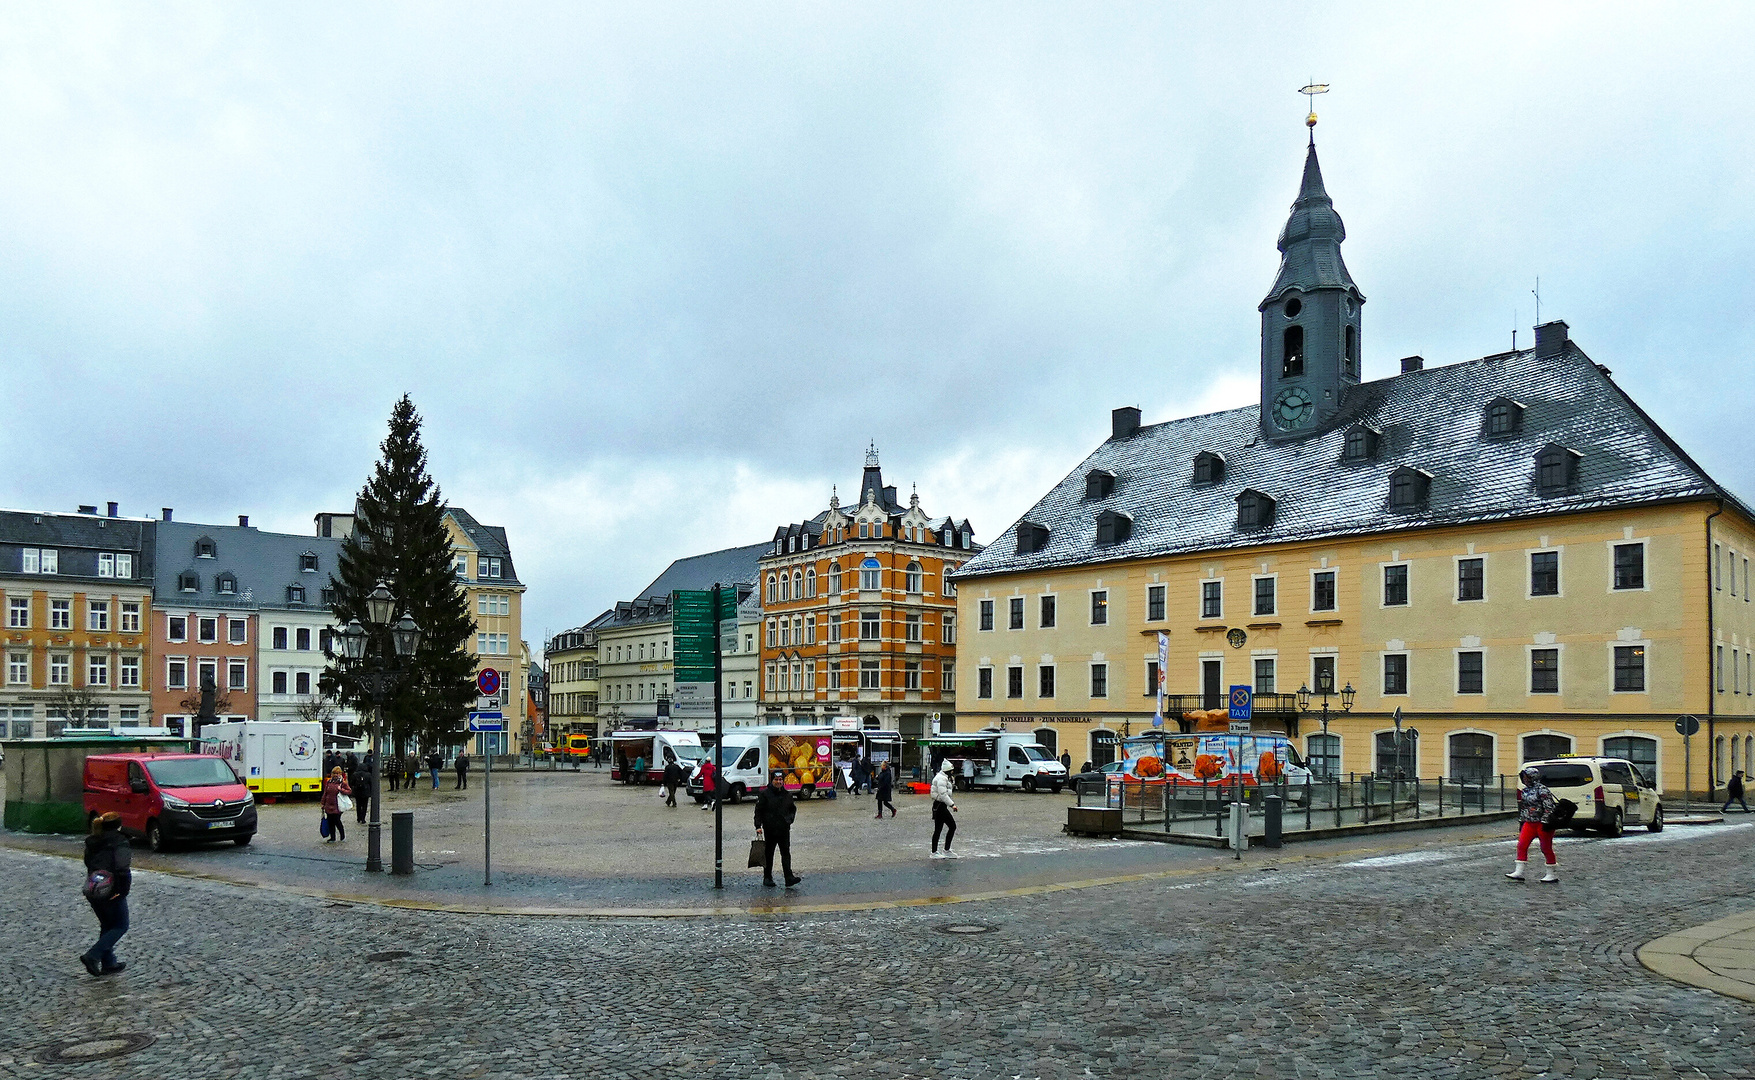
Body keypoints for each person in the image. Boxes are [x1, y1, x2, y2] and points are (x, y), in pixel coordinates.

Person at [79, 811, 132, 976]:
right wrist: (122, 891)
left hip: (94, 888)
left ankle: (109, 963)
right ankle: (93, 955)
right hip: (111, 889)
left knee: (107, 925)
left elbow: (89, 863)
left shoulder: (92, 841)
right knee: (120, 925)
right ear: (118, 825)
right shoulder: (120, 842)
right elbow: (122, 868)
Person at [1507, 765, 1559, 883]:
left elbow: (1549, 807)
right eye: (1523, 777)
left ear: (1532, 777)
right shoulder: (1525, 790)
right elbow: (1524, 807)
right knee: (1522, 845)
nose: (1525, 779)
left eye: (1527, 777)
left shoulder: (1542, 789)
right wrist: (1522, 820)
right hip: (1529, 822)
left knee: (1545, 848)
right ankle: (1519, 871)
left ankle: (1551, 873)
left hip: (1543, 823)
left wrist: (1546, 821)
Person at [753, 770, 801, 887]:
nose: (779, 782)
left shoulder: (787, 795)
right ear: (772, 780)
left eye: (780, 780)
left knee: (786, 853)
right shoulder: (765, 794)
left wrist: (789, 820)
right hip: (770, 829)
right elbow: (758, 811)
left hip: (784, 829)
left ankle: (788, 877)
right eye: (776, 780)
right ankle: (767, 877)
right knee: (769, 854)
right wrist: (758, 826)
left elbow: (792, 809)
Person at [930, 760, 959, 858]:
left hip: (939, 806)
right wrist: (952, 804)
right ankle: (941, 851)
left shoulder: (943, 777)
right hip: (940, 806)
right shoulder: (942, 779)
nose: (952, 772)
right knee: (951, 826)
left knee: (939, 829)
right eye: (951, 770)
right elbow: (943, 794)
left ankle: (938, 851)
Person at [322, 766, 353, 843]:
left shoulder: (342, 782)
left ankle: (342, 836)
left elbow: (349, 791)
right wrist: (323, 803)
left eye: (337, 773)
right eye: (334, 773)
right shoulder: (329, 782)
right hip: (329, 805)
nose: (335, 775)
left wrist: (341, 790)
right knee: (330, 822)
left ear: (340, 774)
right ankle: (332, 837)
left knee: (337, 821)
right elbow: (325, 793)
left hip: (338, 805)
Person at [354, 755, 374, 824]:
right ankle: (363, 818)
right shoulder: (368, 775)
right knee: (364, 806)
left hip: (357, 792)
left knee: (358, 805)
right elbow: (371, 783)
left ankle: (358, 818)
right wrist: (371, 792)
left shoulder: (355, 774)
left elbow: (352, 782)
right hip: (366, 792)